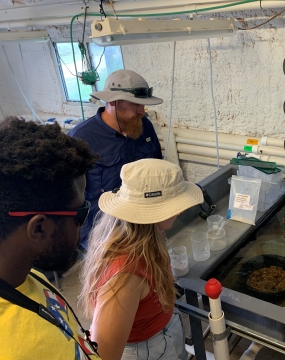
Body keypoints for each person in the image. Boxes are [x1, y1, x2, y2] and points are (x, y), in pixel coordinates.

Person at [80, 158, 204, 360]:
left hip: (163, 330)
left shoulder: (148, 236)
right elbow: (103, 354)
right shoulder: (125, 275)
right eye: (175, 204)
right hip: (146, 351)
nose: (181, 210)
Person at [0, 117, 101, 359]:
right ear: (39, 229)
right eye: (81, 213)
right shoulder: (19, 350)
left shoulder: (24, 275)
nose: (83, 225)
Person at [69, 69, 163, 251]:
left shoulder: (145, 126)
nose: (142, 111)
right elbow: (70, 199)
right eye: (136, 104)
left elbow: (156, 169)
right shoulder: (81, 138)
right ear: (113, 101)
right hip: (105, 236)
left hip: (143, 224)